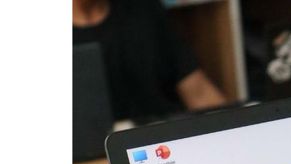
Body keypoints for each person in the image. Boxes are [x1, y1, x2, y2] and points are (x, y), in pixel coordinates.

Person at [73, 0, 227, 121]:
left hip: (163, 137)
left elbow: (198, 91)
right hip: (101, 147)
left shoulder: (143, 7)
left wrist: (230, 128)